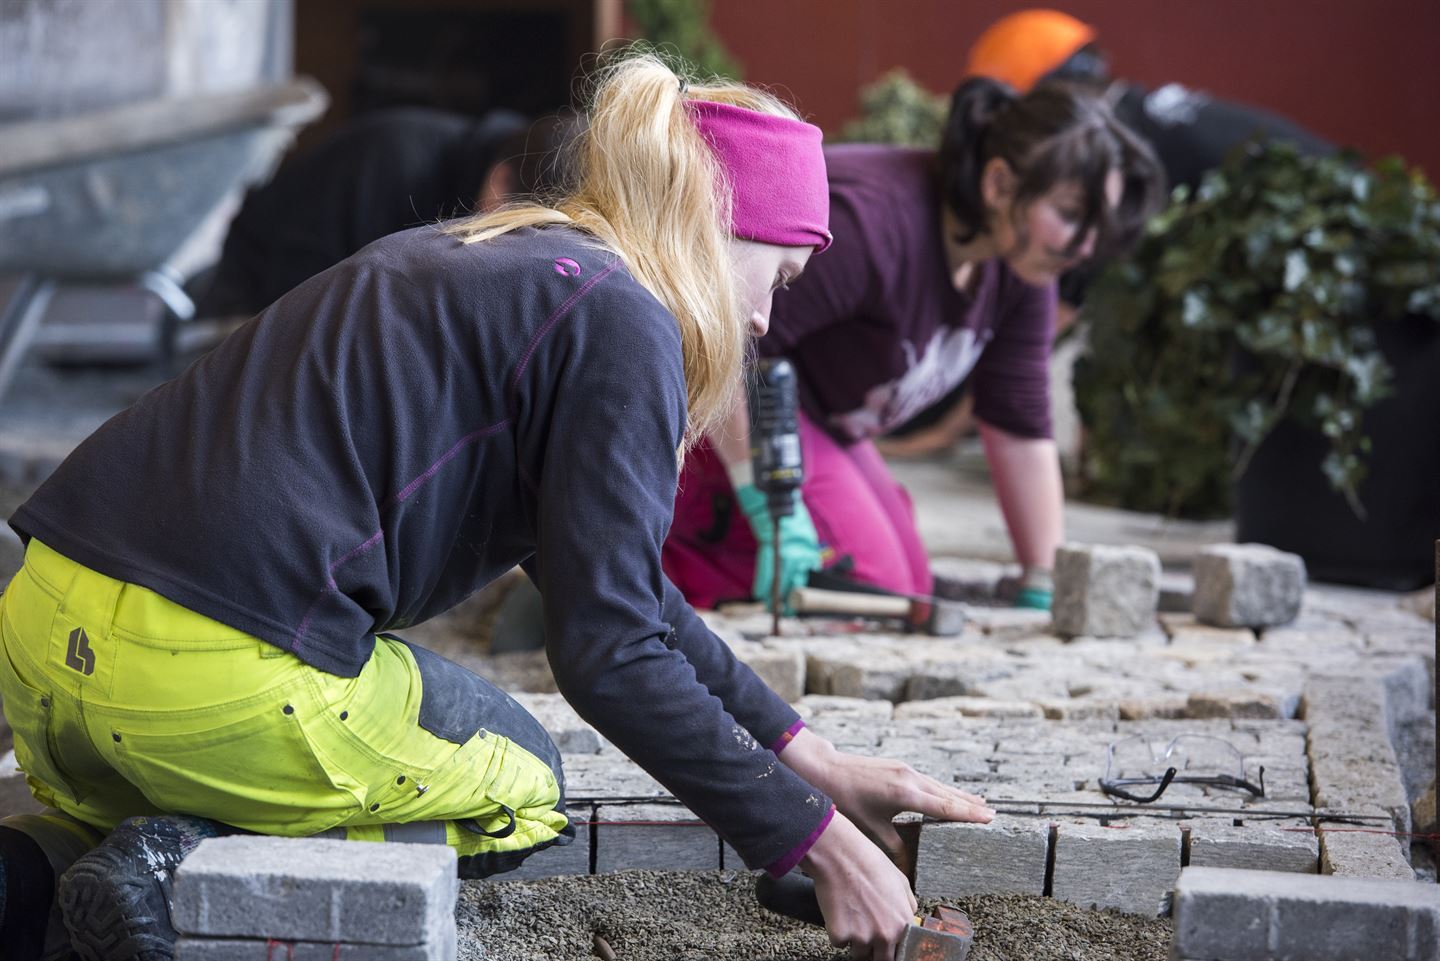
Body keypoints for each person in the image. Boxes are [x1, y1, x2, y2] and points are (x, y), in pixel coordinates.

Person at [0, 53, 993, 961]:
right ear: (710, 227)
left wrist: (810, 761)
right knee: (521, 780)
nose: (770, 318)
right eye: (775, 275)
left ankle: (42, 867)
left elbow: (629, 599)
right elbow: (609, 654)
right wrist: (820, 847)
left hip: (42, 639)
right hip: (212, 677)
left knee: (186, 749)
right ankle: (176, 861)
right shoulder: (627, 324)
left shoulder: (504, 258)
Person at [663, 77, 1164, 614]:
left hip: (821, 419)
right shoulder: (870, 224)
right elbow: (725, 347)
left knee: (911, 586)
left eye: (1095, 227)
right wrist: (766, 504)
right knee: (872, 586)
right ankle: (651, 574)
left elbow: (1018, 423)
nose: (1084, 246)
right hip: (721, 412)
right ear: (998, 185)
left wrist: (1044, 582)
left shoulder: (1022, 266)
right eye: (1069, 215)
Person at [884, 8, 1336, 457]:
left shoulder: (1102, 162)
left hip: (1324, 237)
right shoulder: (1135, 121)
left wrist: (941, 432)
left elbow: (1033, 338)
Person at [194, 106, 583, 318]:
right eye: (523, 232)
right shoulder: (395, 162)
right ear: (498, 188)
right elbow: (295, 307)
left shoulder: (484, 179)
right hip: (244, 299)